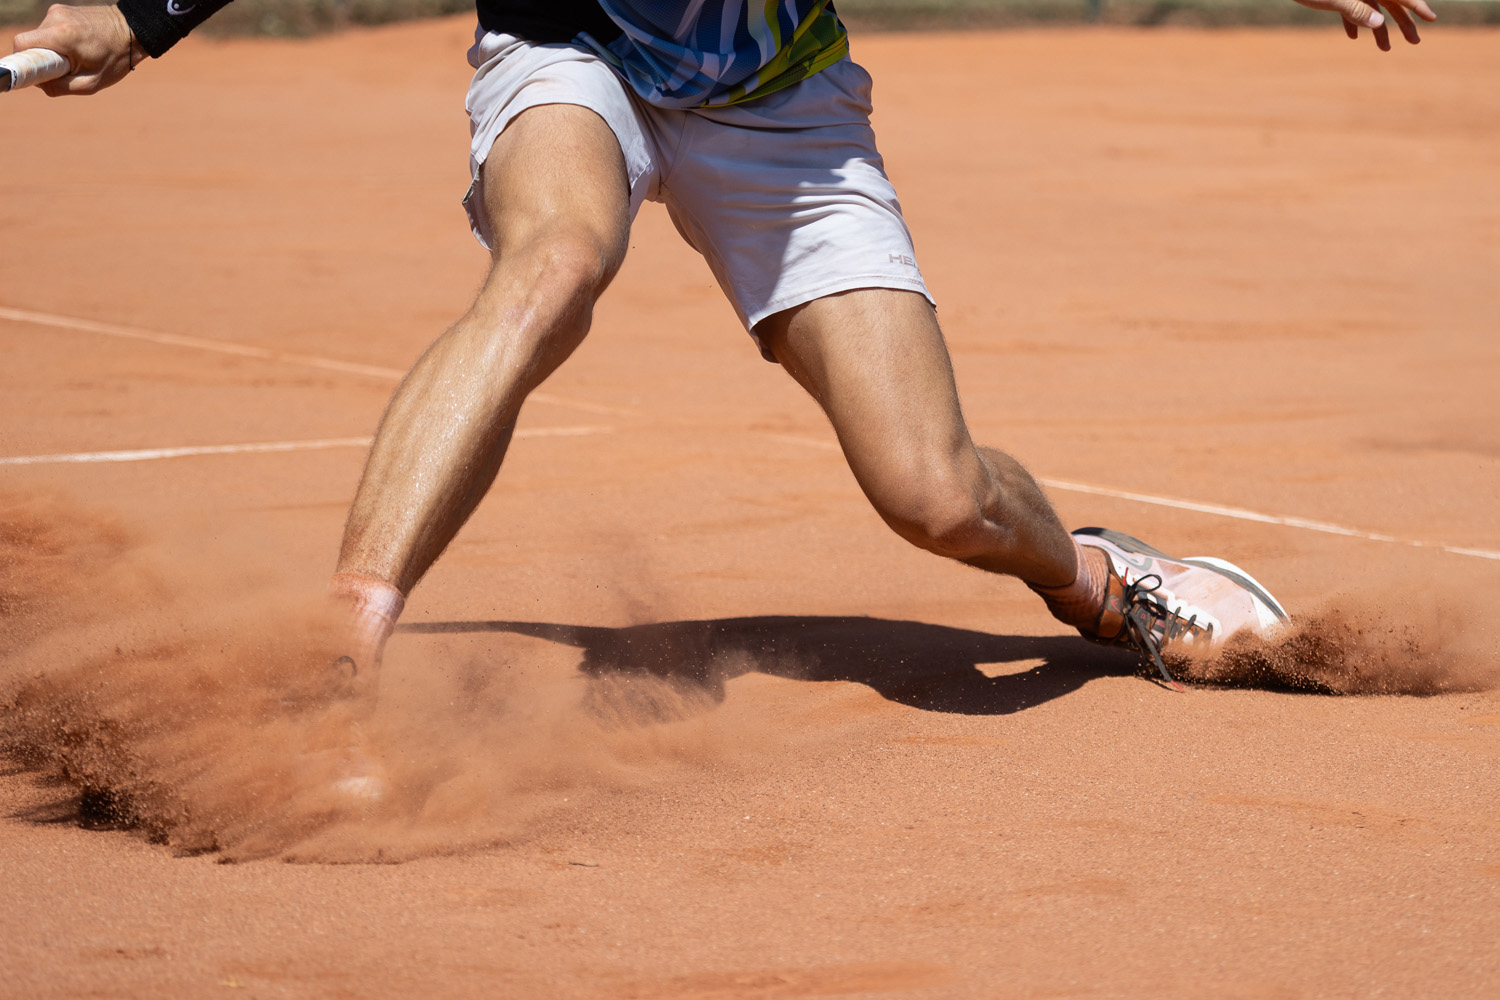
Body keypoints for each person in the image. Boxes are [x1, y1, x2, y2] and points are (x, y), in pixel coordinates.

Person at [11, 0, 1435, 693]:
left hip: (779, 105)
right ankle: (332, 661)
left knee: (934, 493)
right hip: (572, 55)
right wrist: (141, 16)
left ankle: (1100, 579)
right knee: (555, 259)